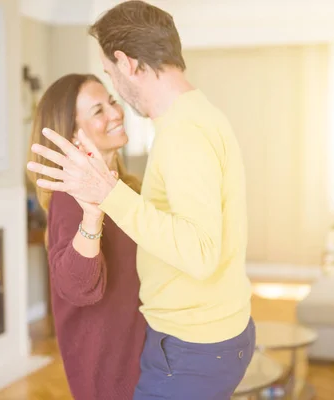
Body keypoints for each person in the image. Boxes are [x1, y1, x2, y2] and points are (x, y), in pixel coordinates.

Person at [27, 1, 255, 399]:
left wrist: (108, 196)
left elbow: (198, 252)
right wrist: (98, 204)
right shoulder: (191, 121)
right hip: (160, 351)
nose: (116, 100)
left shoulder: (179, 135)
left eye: (110, 76)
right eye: (98, 108)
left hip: (188, 348)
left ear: (125, 62)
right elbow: (77, 285)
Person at [26, 73, 146, 400]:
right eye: (98, 111)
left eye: (111, 101)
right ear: (72, 136)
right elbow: (75, 285)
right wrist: (93, 215)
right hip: (112, 375)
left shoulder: (129, 187)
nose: (115, 112)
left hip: (144, 358)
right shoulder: (70, 199)